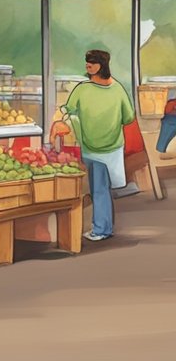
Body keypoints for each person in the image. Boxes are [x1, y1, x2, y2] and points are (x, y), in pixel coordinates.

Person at [60, 49, 136, 242]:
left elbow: (67, 111)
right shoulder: (117, 89)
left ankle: (102, 229)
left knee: (99, 188)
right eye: (87, 62)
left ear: (101, 65)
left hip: (95, 148)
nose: (87, 65)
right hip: (106, 147)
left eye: (91, 62)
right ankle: (103, 227)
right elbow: (128, 117)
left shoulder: (82, 90)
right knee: (100, 188)